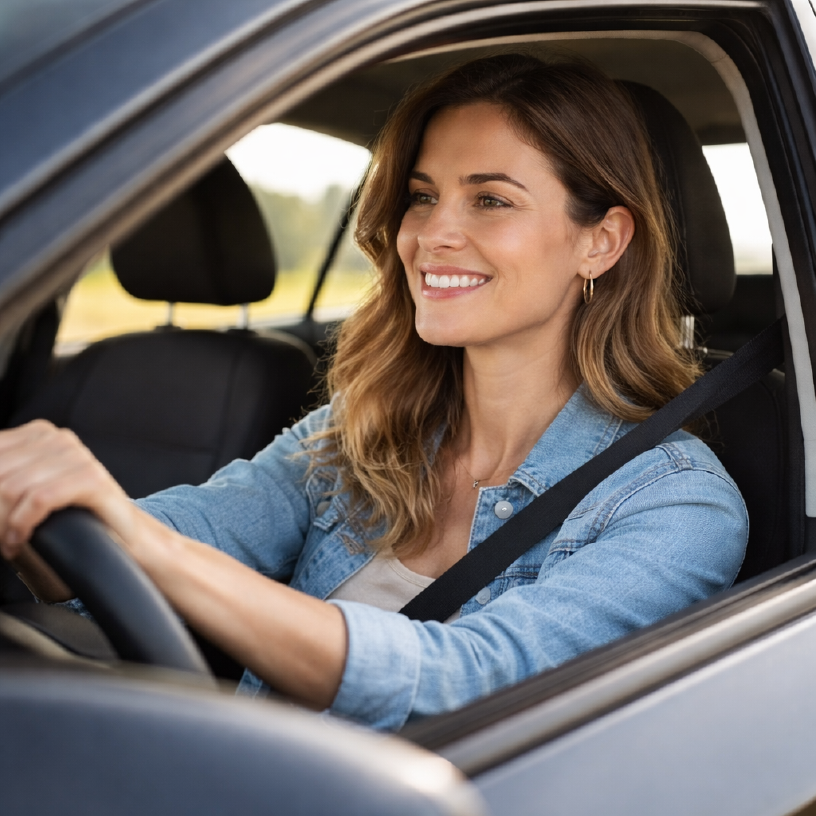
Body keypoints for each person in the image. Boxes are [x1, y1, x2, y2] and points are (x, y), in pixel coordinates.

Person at [0, 54, 747, 731]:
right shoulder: (360, 430)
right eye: (423, 197)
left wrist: (144, 545)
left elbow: (469, 683)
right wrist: (45, 504)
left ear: (601, 242)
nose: (431, 235)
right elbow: (153, 544)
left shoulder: (674, 505)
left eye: (490, 200)